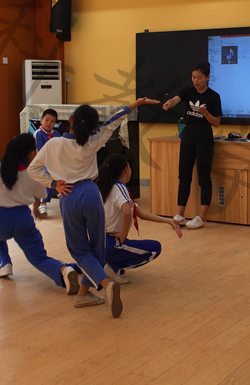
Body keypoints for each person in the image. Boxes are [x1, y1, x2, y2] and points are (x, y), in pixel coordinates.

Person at [28, 98, 158, 318]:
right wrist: (135, 104)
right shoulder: (93, 141)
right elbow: (112, 123)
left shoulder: (53, 144)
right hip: (91, 193)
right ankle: (83, 295)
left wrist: (54, 184)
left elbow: (33, 170)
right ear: (91, 128)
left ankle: (106, 285)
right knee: (98, 248)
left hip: (68, 195)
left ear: (70, 119)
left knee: (80, 251)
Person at [0, 133, 82, 293]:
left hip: (0, 217)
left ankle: (4, 263)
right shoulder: (34, 173)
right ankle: (64, 270)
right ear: (31, 153)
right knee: (38, 257)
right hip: (23, 219)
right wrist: (35, 208)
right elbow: (38, 196)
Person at [96, 153, 182, 284]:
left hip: (99, 242)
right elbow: (127, 212)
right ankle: (113, 268)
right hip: (112, 243)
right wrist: (123, 234)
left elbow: (141, 214)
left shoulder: (106, 188)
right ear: (126, 169)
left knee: (87, 264)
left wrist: (168, 221)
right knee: (154, 248)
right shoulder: (119, 188)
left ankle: (98, 265)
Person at [162, 61, 222, 229]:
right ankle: (179, 215)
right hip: (188, 135)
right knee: (184, 176)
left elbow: (216, 122)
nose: (196, 81)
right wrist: (169, 103)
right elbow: (176, 99)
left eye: (199, 78)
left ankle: (202, 217)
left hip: (204, 137)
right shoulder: (187, 91)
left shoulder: (213, 96)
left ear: (207, 77)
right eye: (193, 77)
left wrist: (205, 113)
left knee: (204, 177)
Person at [34, 108, 60, 216]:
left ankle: (63, 193)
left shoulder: (56, 134)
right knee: (49, 173)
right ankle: (43, 203)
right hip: (42, 162)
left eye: (52, 121)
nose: (49, 123)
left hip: (55, 162)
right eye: (47, 120)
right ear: (41, 120)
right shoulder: (38, 134)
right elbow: (41, 152)